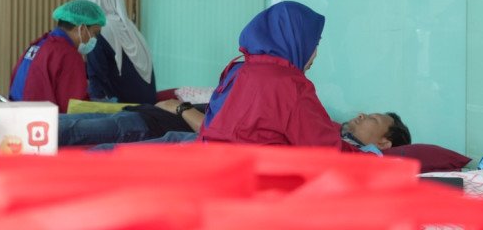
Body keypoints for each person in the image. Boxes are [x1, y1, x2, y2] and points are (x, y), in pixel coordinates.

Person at [197, 1, 359, 151]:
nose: (315, 54)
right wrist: (372, 159)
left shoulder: (236, 71)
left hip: (207, 165)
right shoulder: (290, 85)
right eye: (314, 44)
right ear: (296, 41)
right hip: (253, 171)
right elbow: (326, 150)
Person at [60, 100, 411, 154]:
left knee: (95, 146)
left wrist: (181, 108)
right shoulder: (324, 125)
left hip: (216, 147)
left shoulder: (362, 153)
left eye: (373, 120)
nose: (362, 116)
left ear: (385, 142)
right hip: (181, 132)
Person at [8, 0, 105, 112]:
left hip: (18, 112)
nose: (94, 38)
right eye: (95, 33)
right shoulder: (68, 54)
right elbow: (74, 108)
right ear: (82, 28)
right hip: (43, 119)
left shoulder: (41, 43)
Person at [75, 0, 157, 104]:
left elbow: (96, 84)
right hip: (148, 105)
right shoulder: (129, 27)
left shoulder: (97, 30)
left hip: (124, 110)